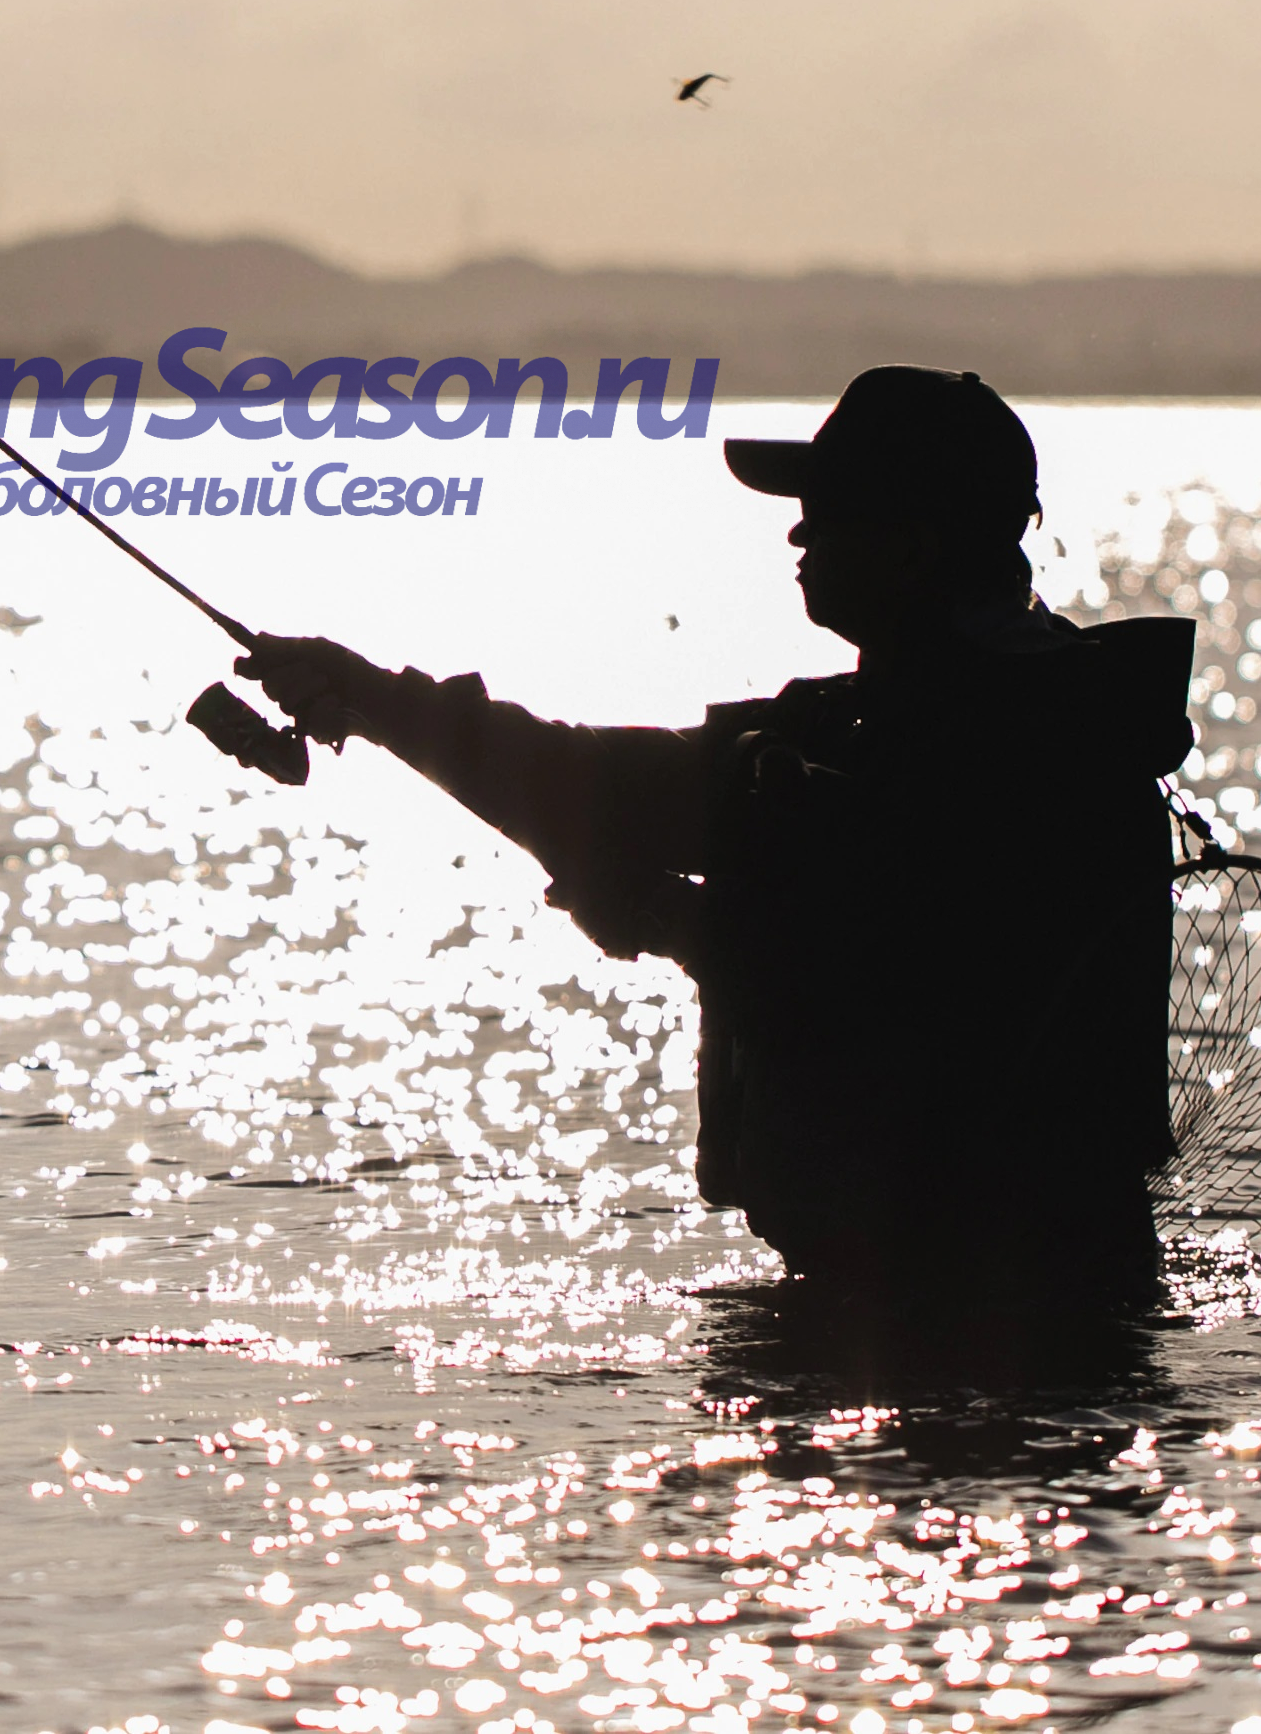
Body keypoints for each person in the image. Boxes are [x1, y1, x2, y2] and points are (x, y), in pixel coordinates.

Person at [237, 366, 1198, 1345]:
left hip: (966, 1309)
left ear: (912, 547)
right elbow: (602, 788)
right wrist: (373, 698)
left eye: (828, 512)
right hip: (1000, 1306)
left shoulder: (999, 750)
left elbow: (886, 991)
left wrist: (662, 918)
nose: (798, 537)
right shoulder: (946, 718)